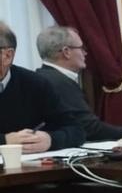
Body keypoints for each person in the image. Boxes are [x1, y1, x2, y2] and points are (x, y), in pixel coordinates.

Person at [36, 26, 122, 141]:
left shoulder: (44, 77)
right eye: (81, 48)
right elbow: (88, 128)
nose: (85, 53)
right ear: (66, 52)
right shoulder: (59, 82)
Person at [0, 20, 85, 152]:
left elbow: (76, 130)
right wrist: (5, 140)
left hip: (30, 169)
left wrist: (50, 140)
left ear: (7, 56)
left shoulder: (35, 83)